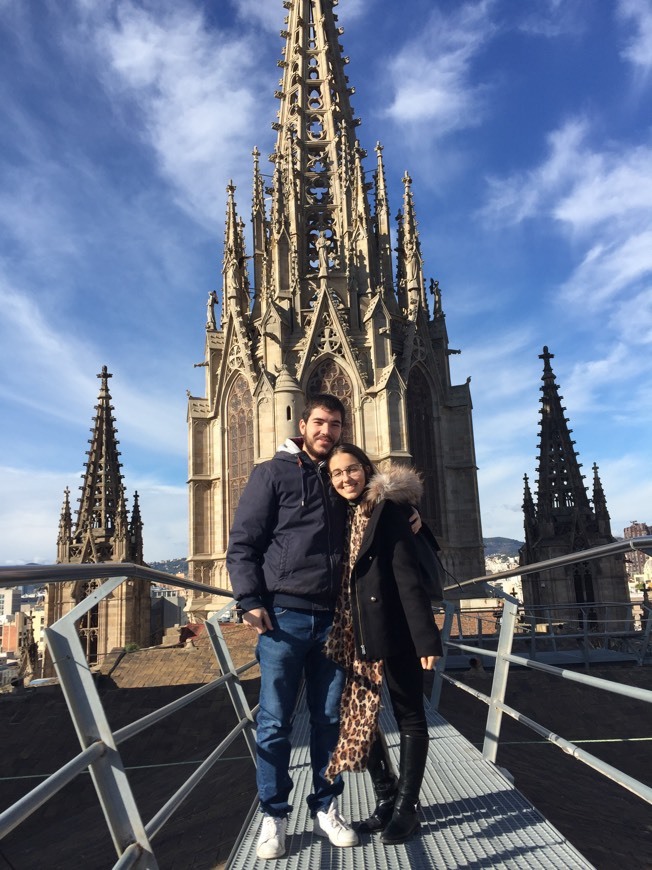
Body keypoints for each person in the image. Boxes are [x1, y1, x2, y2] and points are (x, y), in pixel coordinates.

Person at [226, 394, 358, 860]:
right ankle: (275, 816)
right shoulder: (273, 472)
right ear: (301, 423)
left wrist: (415, 519)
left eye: (335, 424)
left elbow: (383, 517)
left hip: (335, 618)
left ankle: (326, 808)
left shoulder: (343, 476)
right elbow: (242, 543)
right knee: (275, 723)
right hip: (285, 617)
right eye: (319, 422)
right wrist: (248, 600)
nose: (327, 431)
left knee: (329, 720)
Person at [323, 443, 443, 845]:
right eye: (337, 473)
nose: (345, 478)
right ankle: (386, 798)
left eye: (352, 470)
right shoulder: (340, 513)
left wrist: (426, 638)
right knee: (359, 718)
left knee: (409, 714)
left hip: (395, 628)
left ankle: (407, 809)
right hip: (354, 634)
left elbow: (408, 578)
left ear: (366, 469)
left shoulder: (389, 511)